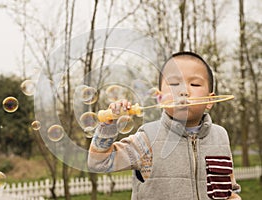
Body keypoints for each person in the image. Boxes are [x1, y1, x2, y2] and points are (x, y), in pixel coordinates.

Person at [88, 51, 241, 200]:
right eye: (174, 83)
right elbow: (99, 162)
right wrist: (108, 125)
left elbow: (227, 187)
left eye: (194, 84)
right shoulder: (148, 139)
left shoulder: (220, 136)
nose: (184, 91)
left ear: (210, 101)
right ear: (160, 98)